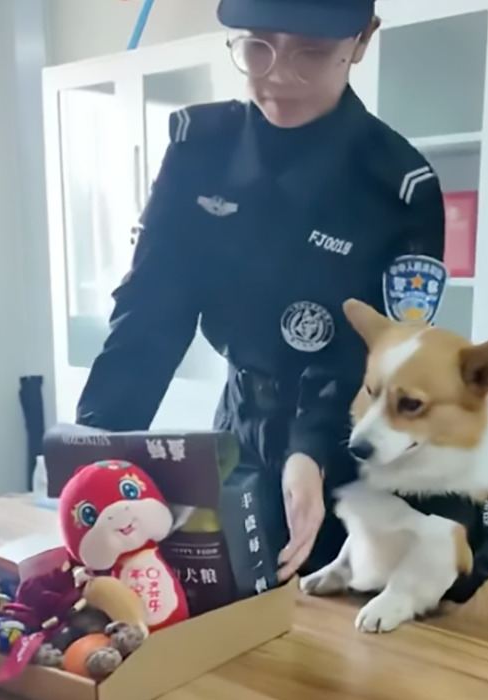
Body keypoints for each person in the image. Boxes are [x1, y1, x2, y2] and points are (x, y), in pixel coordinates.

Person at [76, 0, 446, 582]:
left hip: (348, 441)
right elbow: (152, 307)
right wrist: (96, 445)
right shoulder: (201, 150)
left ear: (363, 39)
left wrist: (311, 447)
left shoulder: (396, 188)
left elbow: (380, 350)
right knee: (214, 604)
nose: (278, 74)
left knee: (332, 635)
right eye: (257, 46)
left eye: (311, 52)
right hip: (237, 427)